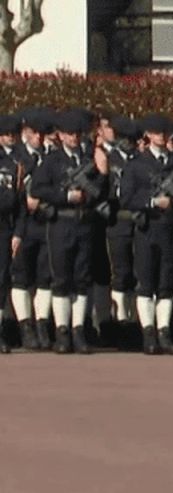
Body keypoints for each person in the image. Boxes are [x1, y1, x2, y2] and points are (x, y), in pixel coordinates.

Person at [30, 110, 110, 354]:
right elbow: (38, 189)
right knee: (62, 278)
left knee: (82, 278)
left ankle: (78, 330)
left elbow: (100, 192)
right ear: (61, 135)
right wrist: (65, 196)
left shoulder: (88, 158)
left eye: (77, 134)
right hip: (61, 223)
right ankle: (62, 331)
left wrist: (102, 172)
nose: (74, 138)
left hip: (84, 223)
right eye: (69, 134)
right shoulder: (52, 161)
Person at [121, 113, 173, 355]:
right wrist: (152, 201)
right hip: (147, 227)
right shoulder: (137, 164)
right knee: (146, 282)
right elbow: (126, 198)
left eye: (164, 133)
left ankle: (164, 331)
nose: (161, 137)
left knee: (167, 282)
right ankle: (148, 333)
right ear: (148, 135)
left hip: (170, 227)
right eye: (156, 133)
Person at [10, 110, 54, 351]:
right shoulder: (17, 157)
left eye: (42, 133)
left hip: (46, 222)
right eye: (34, 132)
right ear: (25, 133)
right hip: (23, 223)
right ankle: (25, 326)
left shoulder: (51, 157)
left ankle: (42, 324)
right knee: (21, 276)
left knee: (45, 277)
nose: (39, 137)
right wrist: (23, 200)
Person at [103, 116, 143, 350]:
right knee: (121, 273)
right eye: (125, 139)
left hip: (139, 223)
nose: (129, 143)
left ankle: (135, 323)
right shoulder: (110, 160)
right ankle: (120, 322)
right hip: (117, 222)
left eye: (133, 139)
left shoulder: (141, 161)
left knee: (139, 274)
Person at [0, 114, 21, 353]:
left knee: (1, 279)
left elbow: (18, 202)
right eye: (5, 134)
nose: (9, 138)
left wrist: (18, 233)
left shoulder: (13, 163)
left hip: (4, 227)